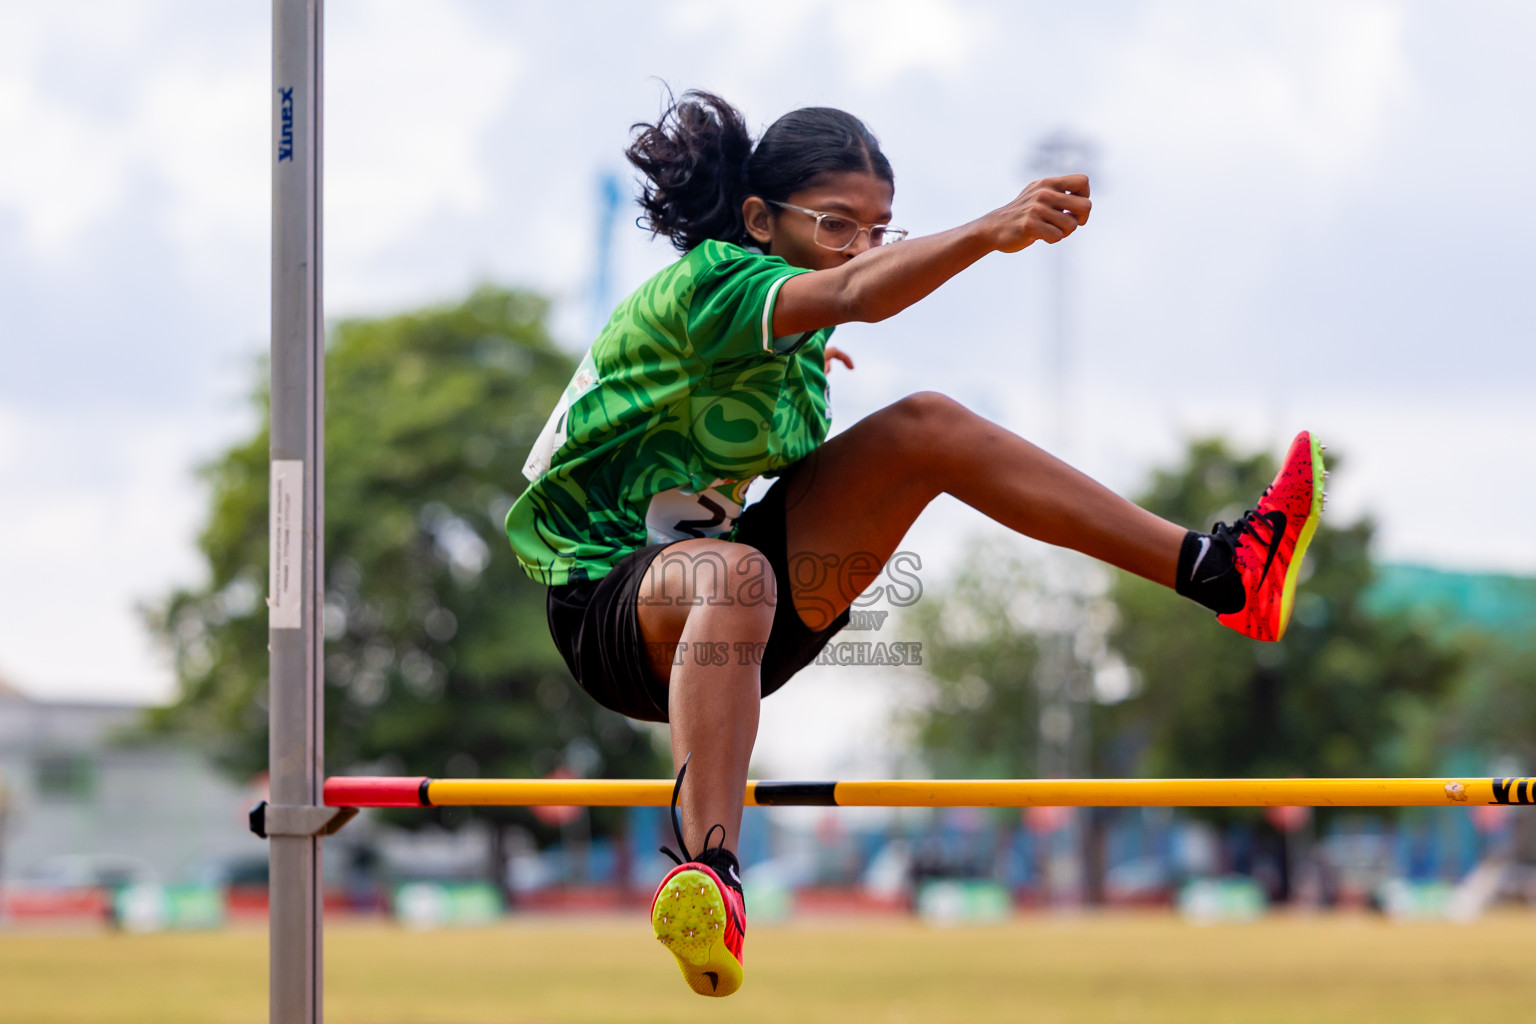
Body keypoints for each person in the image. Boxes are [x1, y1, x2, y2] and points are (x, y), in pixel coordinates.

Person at [504, 90, 1324, 997]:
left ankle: (1223, 575)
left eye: (880, 230)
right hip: (609, 607)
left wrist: (802, 362)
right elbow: (856, 294)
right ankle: (711, 879)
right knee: (733, 572)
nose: (860, 249)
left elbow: (826, 332)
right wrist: (992, 227)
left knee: (925, 426)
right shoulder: (707, 286)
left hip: (738, 621)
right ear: (757, 220)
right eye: (836, 225)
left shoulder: (796, 348)